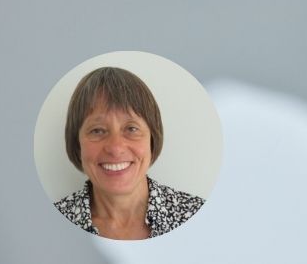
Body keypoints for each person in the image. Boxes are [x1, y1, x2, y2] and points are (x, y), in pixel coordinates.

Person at [54, 67, 205, 239]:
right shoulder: (49, 225)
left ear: (152, 138)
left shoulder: (200, 218)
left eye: (131, 128)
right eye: (97, 130)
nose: (116, 147)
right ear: (77, 143)